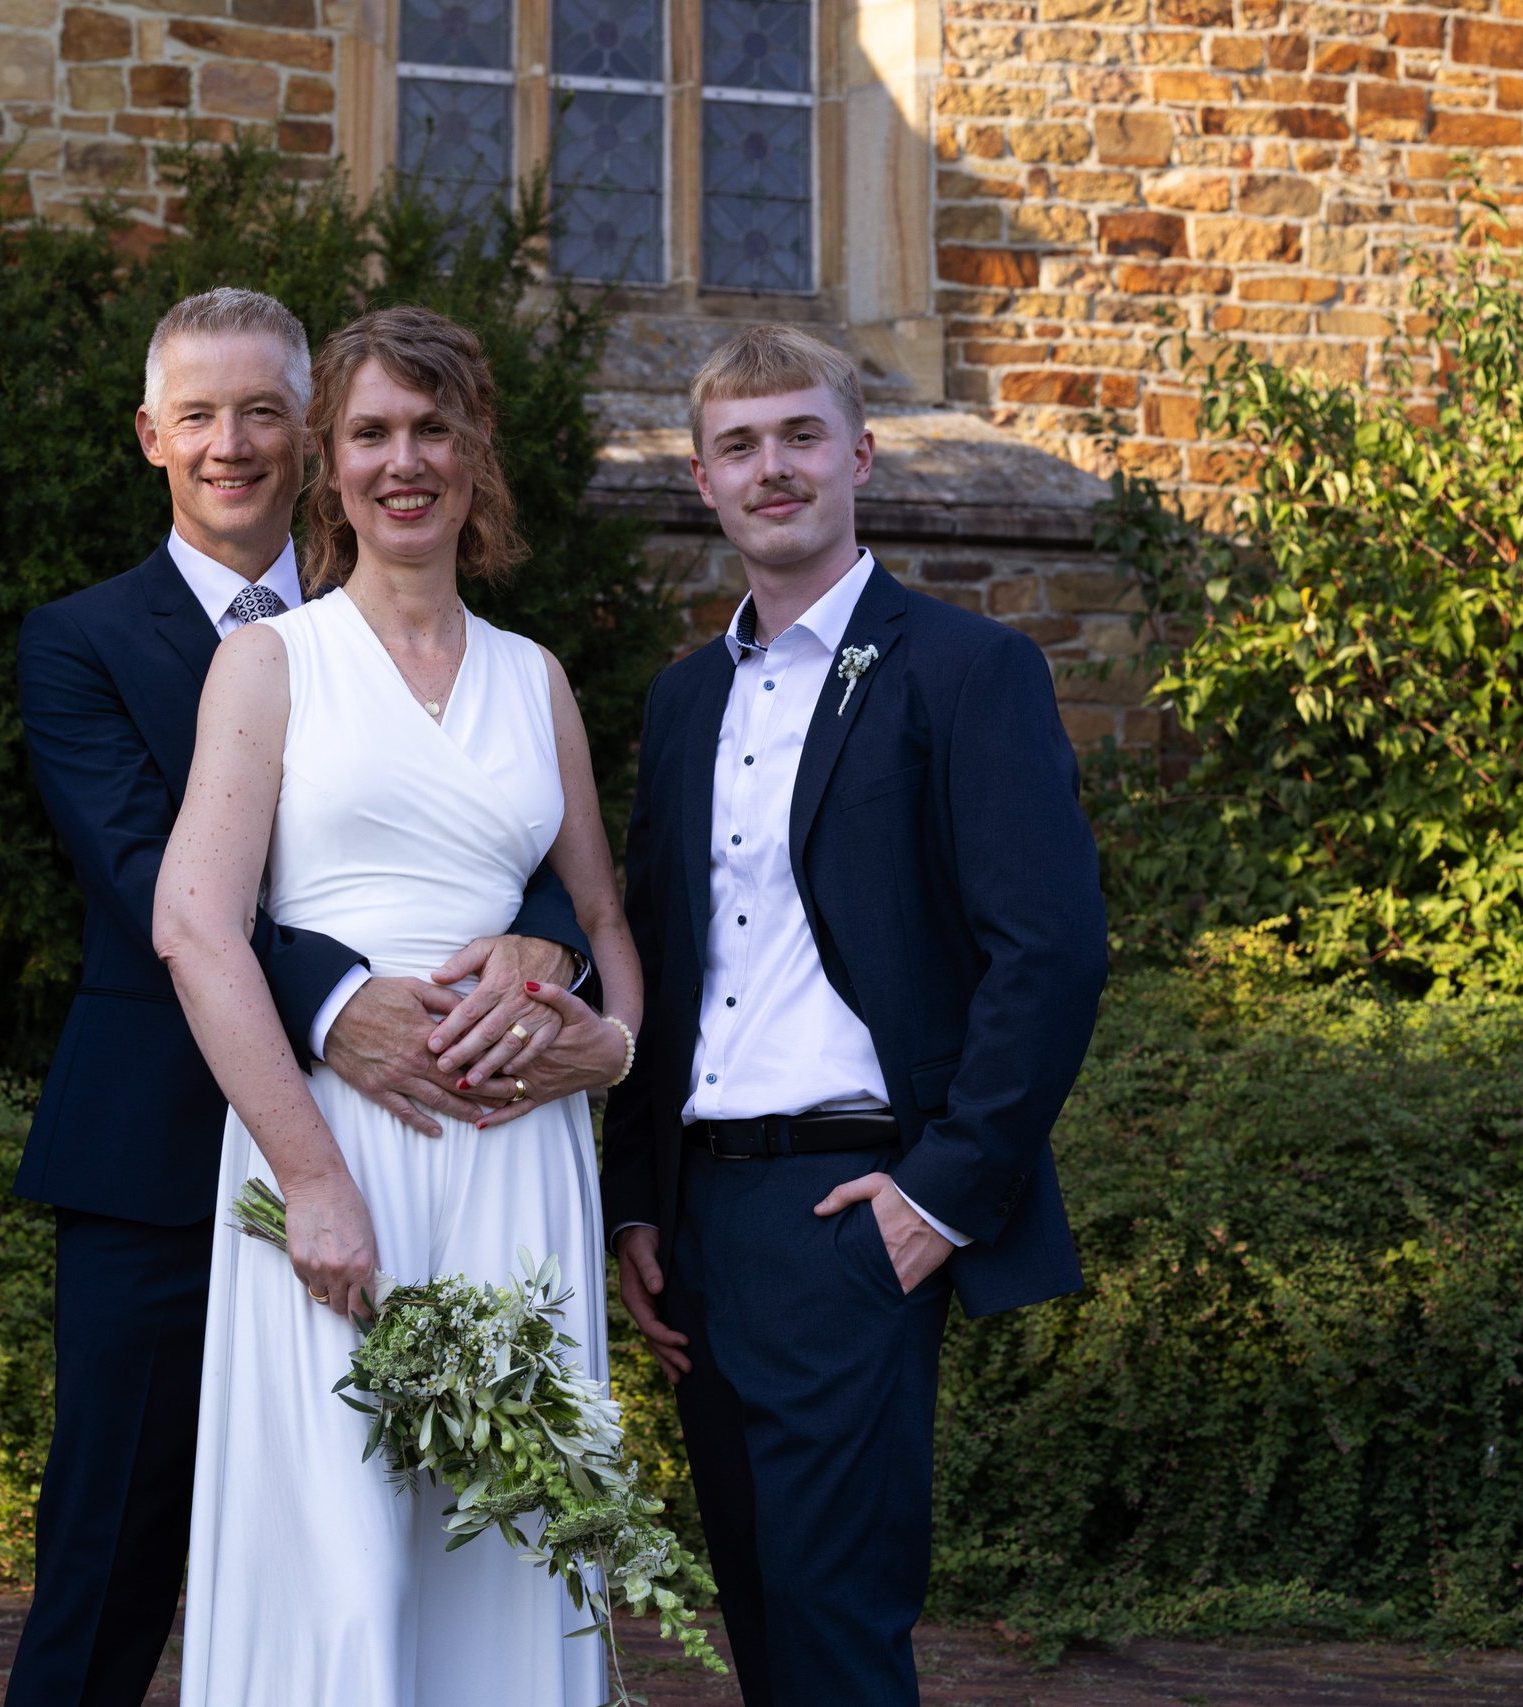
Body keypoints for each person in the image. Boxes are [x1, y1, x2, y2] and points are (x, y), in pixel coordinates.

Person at [7, 288, 601, 1706]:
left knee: (464, 1537)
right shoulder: (86, 642)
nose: (234, 444)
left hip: (456, 1138)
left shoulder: (480, 651)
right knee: (116, 1562)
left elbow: (542, 856)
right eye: (201, 415)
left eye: (263, 410)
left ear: (306, 439)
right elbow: (162, 882)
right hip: (172, 1160)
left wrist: (541, 948)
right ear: (153, 436)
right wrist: (342, 1003)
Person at [602, 324, 1107, 1705]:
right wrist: (637, 1204)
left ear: (860, 455)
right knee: (759, 1609)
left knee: (834, 1625)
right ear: (702, 481)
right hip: (705, 1223)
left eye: (800, 436)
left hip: (855, 1208)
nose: (774, 469)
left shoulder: (963, 671)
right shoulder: (683, 700)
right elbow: (658, 948)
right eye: (740, 446)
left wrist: (941, 1195)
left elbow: (1049, 955)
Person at [154, 305, 645, 1706]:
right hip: (340, 1158)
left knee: (514, 1544)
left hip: (518, 1171)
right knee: (343, 1551)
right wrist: (310, 1179)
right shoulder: (271, 662)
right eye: (371, 432)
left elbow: (604, 928)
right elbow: (195, 924)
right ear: (330, 463)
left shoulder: (534, 677)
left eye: (433, 429)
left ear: (476, 454)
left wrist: (602, 1041)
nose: (404, 460)